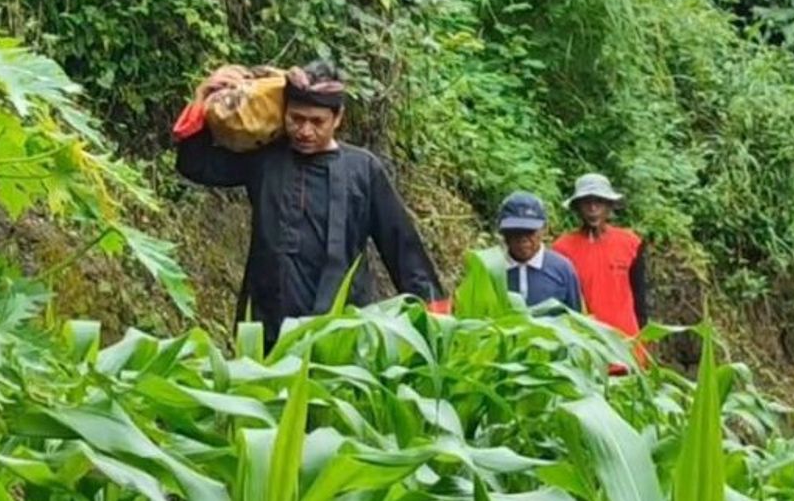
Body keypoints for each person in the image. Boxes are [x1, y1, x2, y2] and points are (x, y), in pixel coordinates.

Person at [172, 60, 449, 350]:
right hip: (267, 326)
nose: (305, 131)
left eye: (317, 122)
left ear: (338, 117)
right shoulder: (264, 160)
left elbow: (402, 247)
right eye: (296, 118)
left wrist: (436, 322)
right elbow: (195, 165)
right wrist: (203, 97)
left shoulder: (363, 170)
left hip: (342, 330)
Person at [552, 173, 648, 338]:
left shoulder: (630, 243)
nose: (593, 208)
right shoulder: (562, 249)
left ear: (609, 205)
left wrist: (644, 336)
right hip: (586, 340)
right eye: (586, 202)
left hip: (626, 340)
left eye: (599, 202)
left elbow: (640, 296)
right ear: (577, 207)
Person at [497, 191, 582, 311]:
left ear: (544, 229)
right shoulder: (492, 270)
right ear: (503, 232)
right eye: (515, 231)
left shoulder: (562, 269)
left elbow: (575, 318)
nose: (522, 239)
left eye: (530, 231)